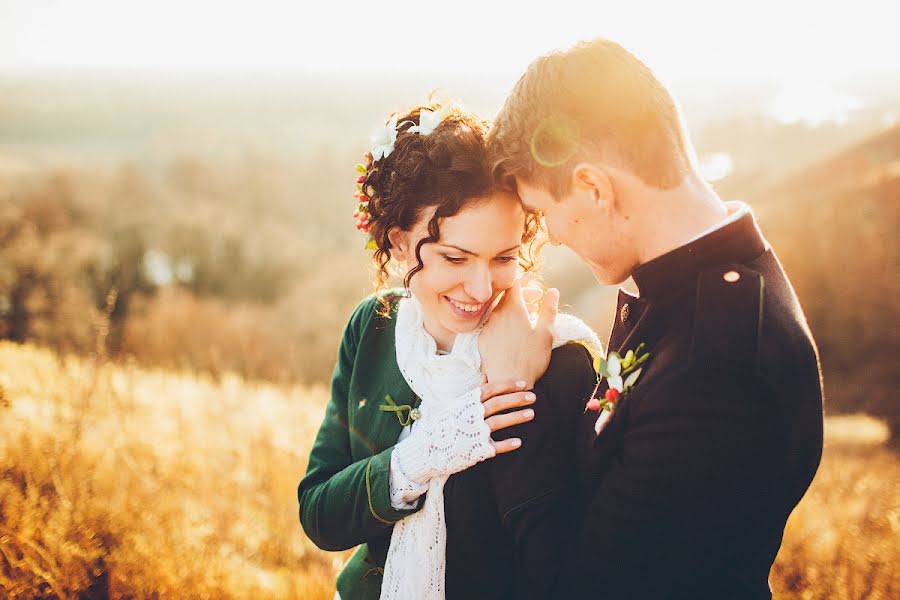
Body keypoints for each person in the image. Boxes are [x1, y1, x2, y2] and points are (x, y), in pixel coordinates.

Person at [477, 38, 825, 599]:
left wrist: (512, 390)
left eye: (546, 213)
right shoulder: (695, 288)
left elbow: (577, 587)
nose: (555, 238)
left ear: (593, 187)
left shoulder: (717, 370)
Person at [297, 101, 601, 600]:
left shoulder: (562, 360)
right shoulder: (372, 329)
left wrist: (518, 385)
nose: (480, 289)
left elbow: (571, 565)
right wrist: (421, 455)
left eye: (503, 257)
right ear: (398, 243)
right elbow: (319, 513)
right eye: (455, 257)